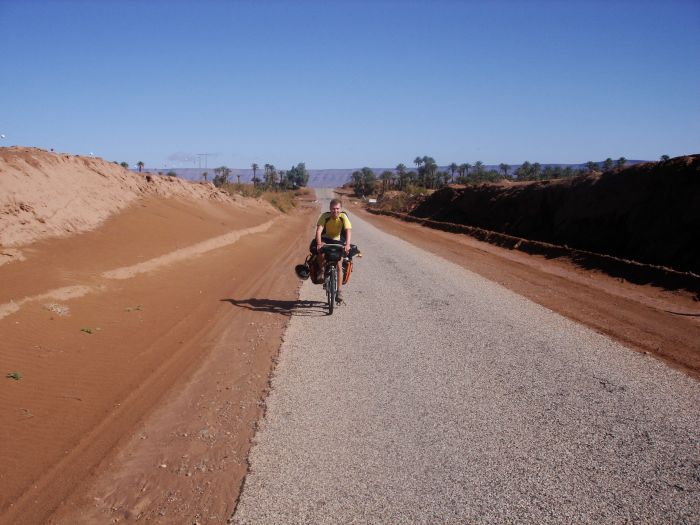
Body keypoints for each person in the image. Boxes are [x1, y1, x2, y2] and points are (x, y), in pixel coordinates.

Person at [314, 198, 352, 302]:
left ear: (341, 209)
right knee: (320, 253)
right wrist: (319, 243)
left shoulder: (343, 217)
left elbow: (348, 231)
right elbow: (319, 231)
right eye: (333, 209)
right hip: (325, 238)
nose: (335, 211)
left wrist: (347, 244)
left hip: (338, 240)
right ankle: (322, 271)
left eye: (337, 209)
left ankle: (339, 292)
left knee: (339, 265)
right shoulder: (324, 216)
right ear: (330, 209)